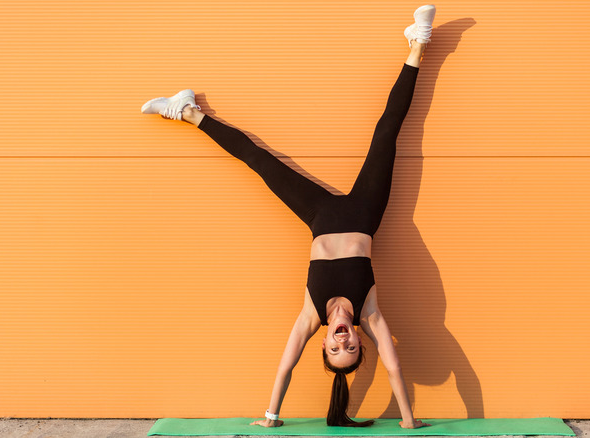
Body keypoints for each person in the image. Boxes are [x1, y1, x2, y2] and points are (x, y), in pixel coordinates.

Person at [141, 4, 437, 429]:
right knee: (387, 131)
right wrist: (408, 420)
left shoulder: (310, 316)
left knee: (258, 161)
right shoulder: (369, 312)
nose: (343, 342)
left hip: (318, 216)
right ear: (359, 341)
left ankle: (188, 112)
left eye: (335, 351)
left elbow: (285, 368)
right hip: (364, 213)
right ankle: (417, 45)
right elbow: (393, 368)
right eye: (351, 349)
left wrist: (271, 417)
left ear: (322, 344)